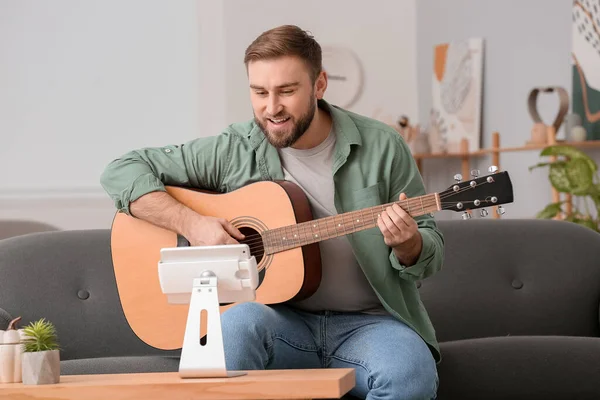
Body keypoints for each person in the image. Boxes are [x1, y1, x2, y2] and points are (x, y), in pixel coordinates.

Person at [100, 24, 444, 400]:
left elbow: (430, 251)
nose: (271, 107)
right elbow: (121, 170)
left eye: (287, 91)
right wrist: (193, 224)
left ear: (320, 85)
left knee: (409, 374)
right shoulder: (234, 148)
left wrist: (408, 244)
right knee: (233, 328)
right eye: (259, 92)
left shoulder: (383, 146)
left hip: (370, 324)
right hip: (278, 320)